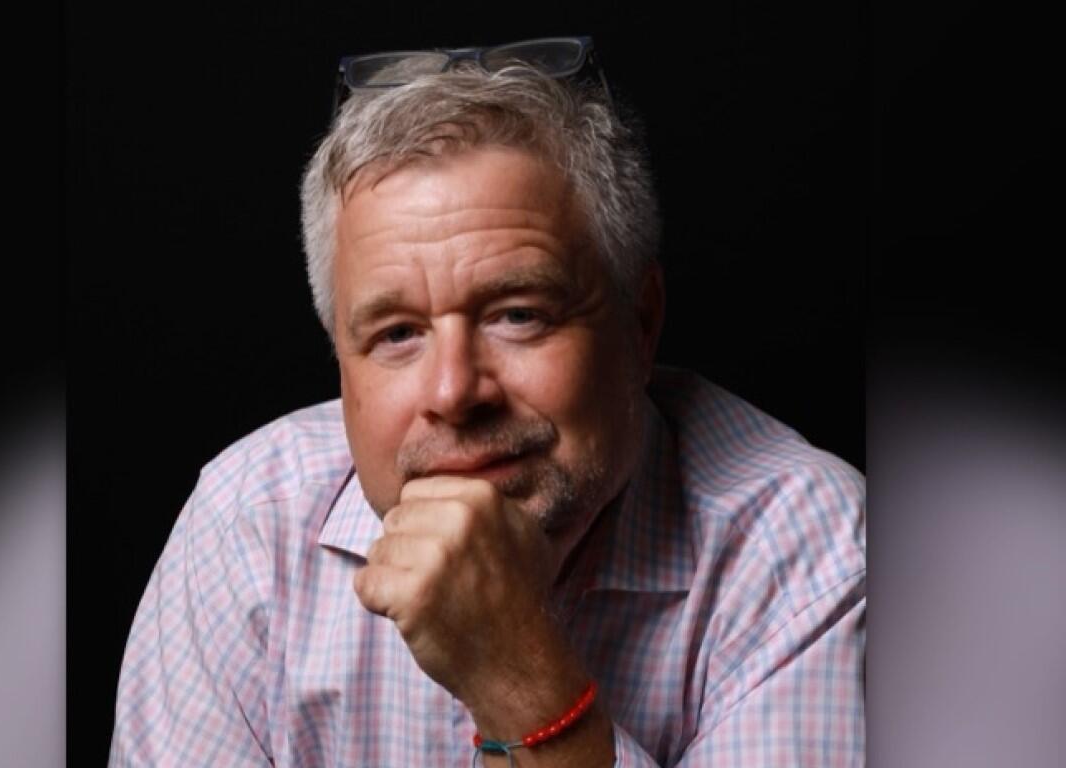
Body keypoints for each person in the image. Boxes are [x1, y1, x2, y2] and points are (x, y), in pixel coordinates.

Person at [108, 37, 865, 767]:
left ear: (640, 326)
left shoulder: (810, 552)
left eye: (517, 314)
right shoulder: (247, 524)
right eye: (398, 333)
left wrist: (520, 680)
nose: (453, 393)